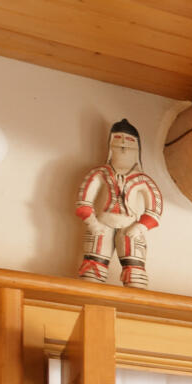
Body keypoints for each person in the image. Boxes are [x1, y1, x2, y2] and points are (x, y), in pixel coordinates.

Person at [74, 120, 163, 288]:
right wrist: (92, 223)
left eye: (129, 142)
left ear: (137, 148)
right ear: (110, 145)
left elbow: (155, 208)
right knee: (93, 269)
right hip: (101, 225)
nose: (123, 145)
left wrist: (140, 227)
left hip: (130, 228)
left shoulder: (142, 179)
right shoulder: (100, 173)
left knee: (135, 272)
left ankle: (135, 308)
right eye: (118, 140)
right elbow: (83, 200)